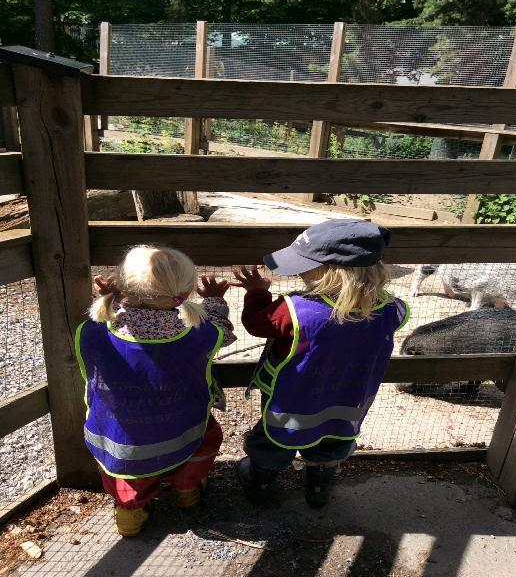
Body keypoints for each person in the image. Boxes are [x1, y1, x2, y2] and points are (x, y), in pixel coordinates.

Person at [232, 219, 409, 507]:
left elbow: (255, 323)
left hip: (293, 398)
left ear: (329, 273)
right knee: (334, 438)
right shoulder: (392, 310)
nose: (300, 272)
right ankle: (318, 489)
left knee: (275, 438)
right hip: (349, 399)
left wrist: (257, 293)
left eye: (305, 265)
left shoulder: (296, 311)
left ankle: (260, 481)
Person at [75, 245, 235, 536]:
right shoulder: (200, 333)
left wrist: (108, 299)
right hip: (181, 424)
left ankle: (129, 516)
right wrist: (215, 301)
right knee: (200, 442)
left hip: (122, 435)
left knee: (127, 473)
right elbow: (222, 330)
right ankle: (188, 492)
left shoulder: (94, 331)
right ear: (185, 294)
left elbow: (109, 324)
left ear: (122, 287)